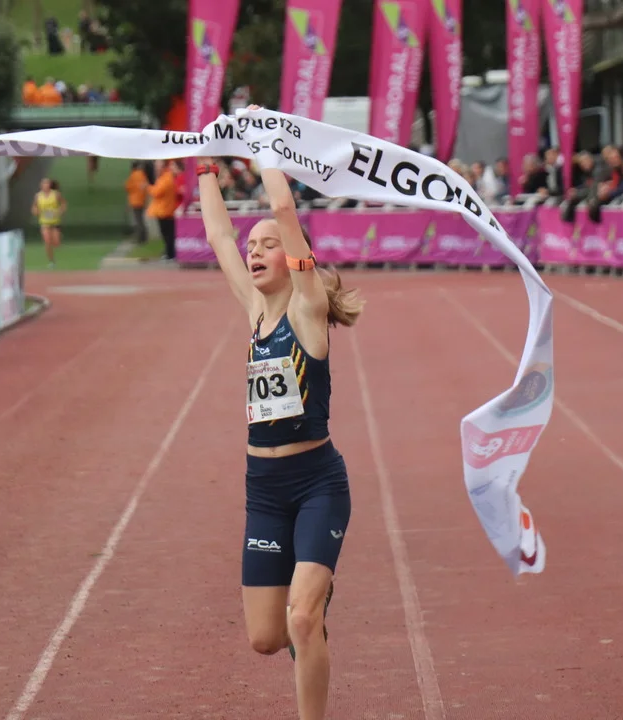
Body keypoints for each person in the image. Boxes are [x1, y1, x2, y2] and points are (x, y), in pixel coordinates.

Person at [195, 107, 365, 720]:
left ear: (294, 258)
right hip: (263, 488)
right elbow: (219, 237)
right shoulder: (255, 310)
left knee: (301, 619)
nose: (255, 251)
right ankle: (310, 608)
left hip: (317, 481)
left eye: (268, 245)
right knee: (266, 638)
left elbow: (285, 209)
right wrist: (205, 163)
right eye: (254, 247)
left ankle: (312, 622)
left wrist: (265, 147)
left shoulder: (307, 310)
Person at [32, 178, 66, 269]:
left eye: (47, 183)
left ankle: (58, 237)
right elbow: (34, 207)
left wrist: (60, 210)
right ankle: (51, 261)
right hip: (44, 222)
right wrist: (35, 211)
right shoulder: (38, 196)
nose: (45, 185)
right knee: (47, 241)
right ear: (41, 186)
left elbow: (63, 203)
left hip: (55, 221)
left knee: (56, 243)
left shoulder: (56, 194)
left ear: (50, 185)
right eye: (43, 184)